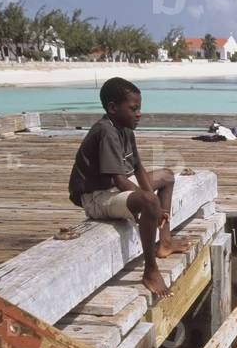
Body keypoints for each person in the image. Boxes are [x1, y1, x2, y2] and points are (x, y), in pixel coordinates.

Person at [67, 77, 191, 297]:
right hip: (97, 198)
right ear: (112, 108)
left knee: (167, 176)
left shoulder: (125, 130)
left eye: (139, 108)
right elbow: (119, 180)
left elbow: (138, 168)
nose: (139, 114)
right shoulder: (106, 131)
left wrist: (153, 203)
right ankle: (150, 270)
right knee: (149, 200)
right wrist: (151, 204)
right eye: (133, 109)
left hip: (114, 189)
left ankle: (164, 242)